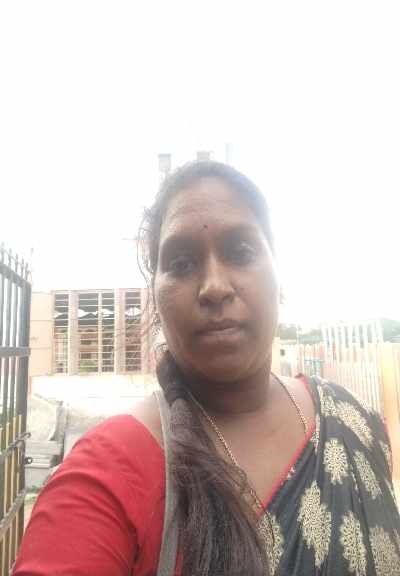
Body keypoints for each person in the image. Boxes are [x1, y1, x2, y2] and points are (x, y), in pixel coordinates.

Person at [14, 161, 400, 575]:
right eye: (181, 264)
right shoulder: (106, 477)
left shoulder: (355, 421)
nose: (214, 286)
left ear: (278, 275)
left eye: (241, 252)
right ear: (156, 297)